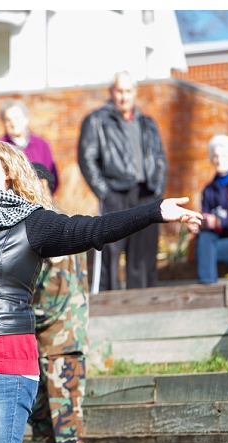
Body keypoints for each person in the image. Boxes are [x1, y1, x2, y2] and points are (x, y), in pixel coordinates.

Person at [0, 138, 202, 443]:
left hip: (0, 365)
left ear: (9, 174)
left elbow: (93, 229)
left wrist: (153, 212)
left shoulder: (31, 221)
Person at [78, 71, 169, 291]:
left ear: (134, 93)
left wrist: (156, 190)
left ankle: (143, 307)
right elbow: (86, 157)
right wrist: (104, 192)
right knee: (110, 252)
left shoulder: (148, 123)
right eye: (119, 90)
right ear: (111, 92)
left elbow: (160, 158)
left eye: (128, 91)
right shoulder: (97, 120)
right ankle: (107, 309)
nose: (124, 96)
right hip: (115, 194)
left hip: (145, 194)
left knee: (143, 256)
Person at [27, 162, 88, 443]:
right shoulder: (37, 223)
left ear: (40, 185)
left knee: (66, 437)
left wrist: (14, 317)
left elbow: (56, 292)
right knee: (44, 437)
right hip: (38, 347)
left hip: (60, 347)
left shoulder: (55, 224)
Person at [187, 134, 228, 284]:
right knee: (204, 238)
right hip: (219, 240)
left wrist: (219, 221)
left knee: (204, 250)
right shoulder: (208, 190)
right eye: (216, 156)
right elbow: (206, 218)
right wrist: (198, 224)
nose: (219, 159)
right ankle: (208, 290)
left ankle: (208, 293)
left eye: (223, 155)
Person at [0, 99, 59, 191]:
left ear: (26, 119)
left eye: (16, 118)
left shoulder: (42, 144)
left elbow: (53, 177)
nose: (13, 123)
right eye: (8, 120)